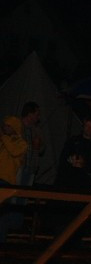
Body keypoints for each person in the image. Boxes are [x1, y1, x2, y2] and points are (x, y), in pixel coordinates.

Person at [0, 115, 29, 243]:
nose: (5, 127)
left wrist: (4, 137)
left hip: (6, 181)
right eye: (4, 125)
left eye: (8, 125)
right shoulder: (3, 141)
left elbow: (14, 152)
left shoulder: (21, 144)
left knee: (2, 215)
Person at [58, 117, 91, 184]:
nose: (89, 128)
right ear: (83, 127)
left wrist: (83, 163)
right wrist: (71, 160)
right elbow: (63, 157)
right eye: (87, 126)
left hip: (86, 179)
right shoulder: (73, 141)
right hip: (70, 177)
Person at [17, 101, 44, 186]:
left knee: (25, 194)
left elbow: (42, 149)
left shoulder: (37, 130)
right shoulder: (16, 126)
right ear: (30, 114)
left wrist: (38, 146)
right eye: (37, 114)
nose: (38, 117)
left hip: (31, 168)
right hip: (17, 168)